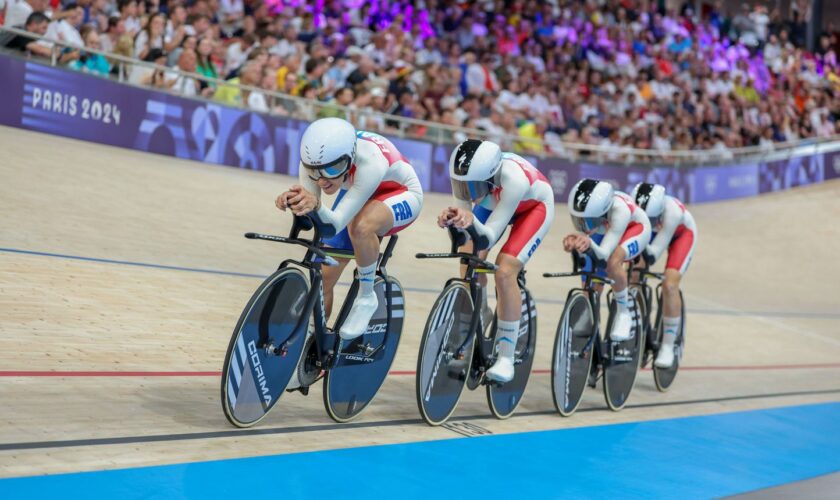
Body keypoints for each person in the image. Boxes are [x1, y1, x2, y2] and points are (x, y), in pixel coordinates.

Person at [276, 118, 423, 340]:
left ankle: (366, 296)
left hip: (399, 191)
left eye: (331, 169)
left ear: (350, 158)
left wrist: (316, 204)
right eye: (315, 172)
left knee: (361, 228)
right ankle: (312, 345)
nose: (323, 180)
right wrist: (296, 202)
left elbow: (334, 223)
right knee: (323, 277)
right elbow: (316, 220)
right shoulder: (313, 163)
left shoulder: (370, 162)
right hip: (357, 187)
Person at [437, 139, 554, 383]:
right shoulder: (467, 177)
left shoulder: (513, 180)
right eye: (462, 187)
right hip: (495, 204)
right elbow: (465, 225)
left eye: (473, 188)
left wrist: (468, 222)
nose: (468, 194)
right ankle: (482, 312)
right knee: (468, 257)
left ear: (491, 179)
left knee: (504, 270)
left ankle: (506, 357)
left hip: (533, 208)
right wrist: (453, 220)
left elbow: (489, 234)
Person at [563, 179, 651, 342]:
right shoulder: (597, 216)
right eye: (579, 220)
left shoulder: (620, 211)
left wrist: (588, 242)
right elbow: (592, 244)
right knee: (590, 282)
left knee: (613, 261)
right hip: (607, 228)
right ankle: (590, 320)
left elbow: (604, 254)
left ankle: (624, 313)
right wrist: (575, 242)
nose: (583, 226)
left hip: (635, 228)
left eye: (586, 221)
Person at [631, 183, 697, 368]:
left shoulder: (672, 213)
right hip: (650, 233)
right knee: (633, 275)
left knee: (669, 285)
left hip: (681, 235)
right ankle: (638, 326)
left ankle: (668, 345)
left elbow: (653, 254)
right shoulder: (633, 209)